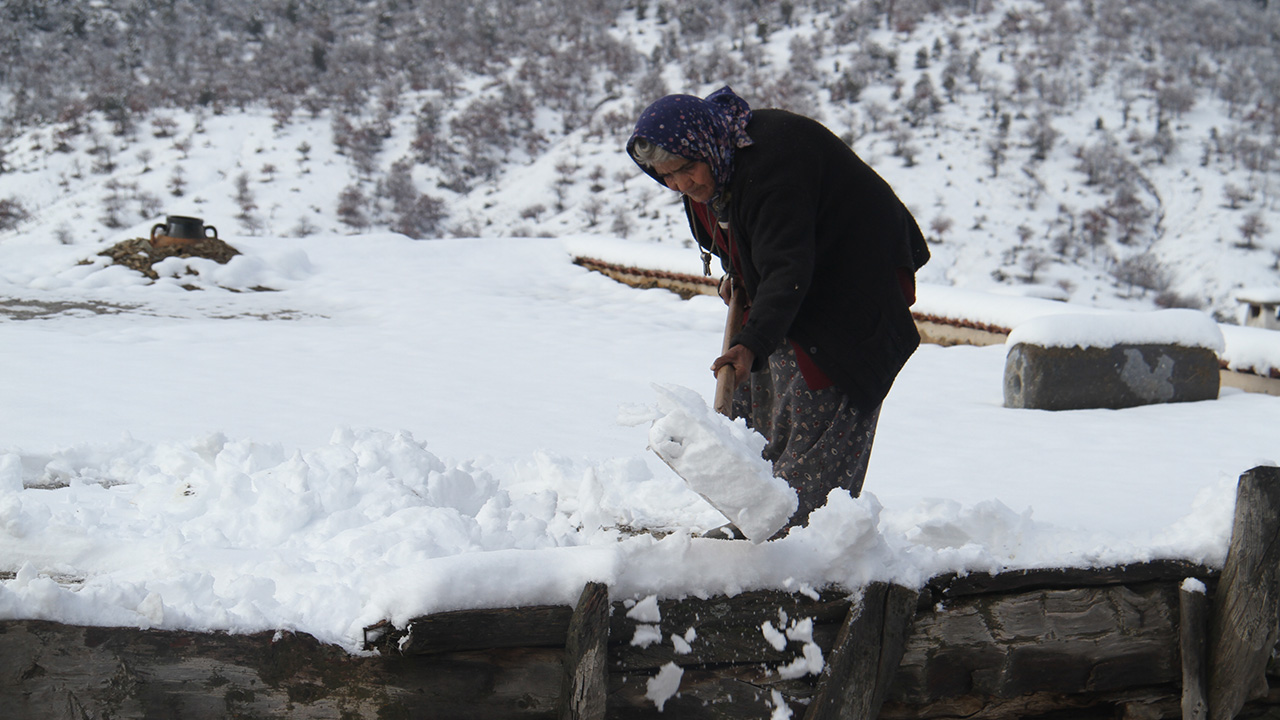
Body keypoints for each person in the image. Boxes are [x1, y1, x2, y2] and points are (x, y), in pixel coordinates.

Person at [626, 86, 930, 536]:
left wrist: (750, 342)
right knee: (757, 397)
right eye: (666, 176)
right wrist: (742, 276)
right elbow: (751, 239)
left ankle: (801, 535)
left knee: (820, 393)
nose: (681, 185)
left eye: (687, 169)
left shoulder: (773, 167)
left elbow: (787, 263)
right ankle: (758, 517)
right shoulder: (719, 162)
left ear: (706, 147)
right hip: (796, 281)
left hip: (851, 287)